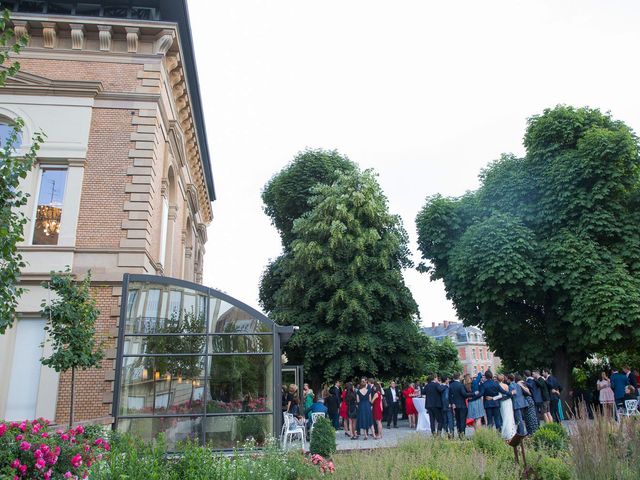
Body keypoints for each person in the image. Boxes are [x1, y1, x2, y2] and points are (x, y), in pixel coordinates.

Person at [449, 372, 475, 438]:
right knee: (463, 420)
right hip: (462, 405)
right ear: (459, 377)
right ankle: (462, 435)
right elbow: (464, 394)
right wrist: (473, 394)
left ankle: (459, 433)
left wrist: (452, 403)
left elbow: (449, 396)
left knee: (458, 420)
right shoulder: (461, 385)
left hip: (455, 405)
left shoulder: (450, 385)